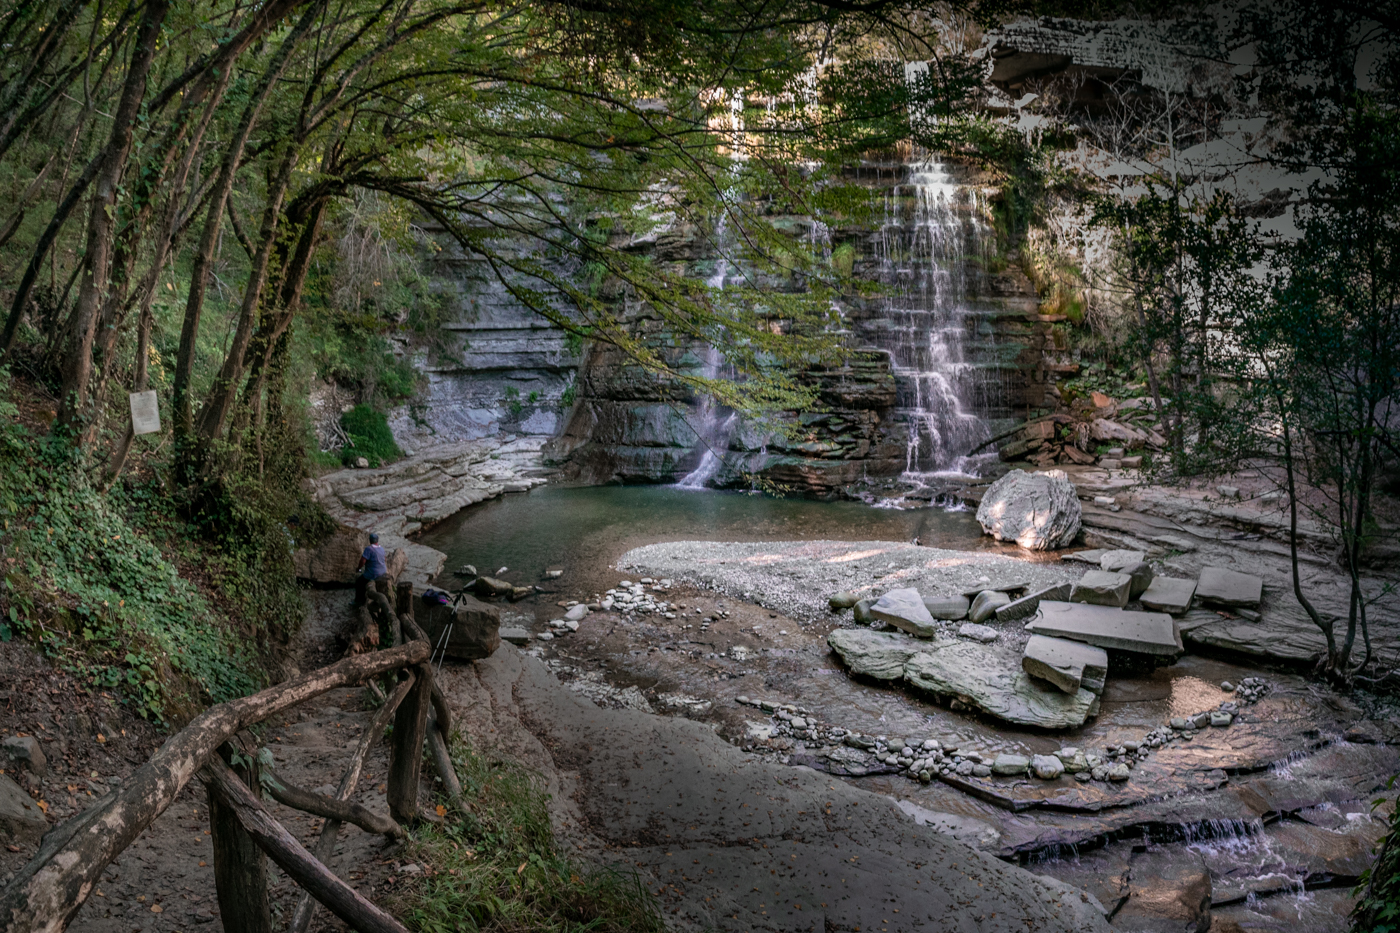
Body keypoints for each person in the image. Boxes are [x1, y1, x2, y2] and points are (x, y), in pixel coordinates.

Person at [354, 533, 388, 605]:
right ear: (377, 541)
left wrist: (358, 568)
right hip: (383, 572)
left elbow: (363, 561)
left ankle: (359, 601)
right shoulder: (381, 548)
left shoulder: (369, 549)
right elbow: (384, 559)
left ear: (370, 540)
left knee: (359, 582)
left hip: (373, 574)